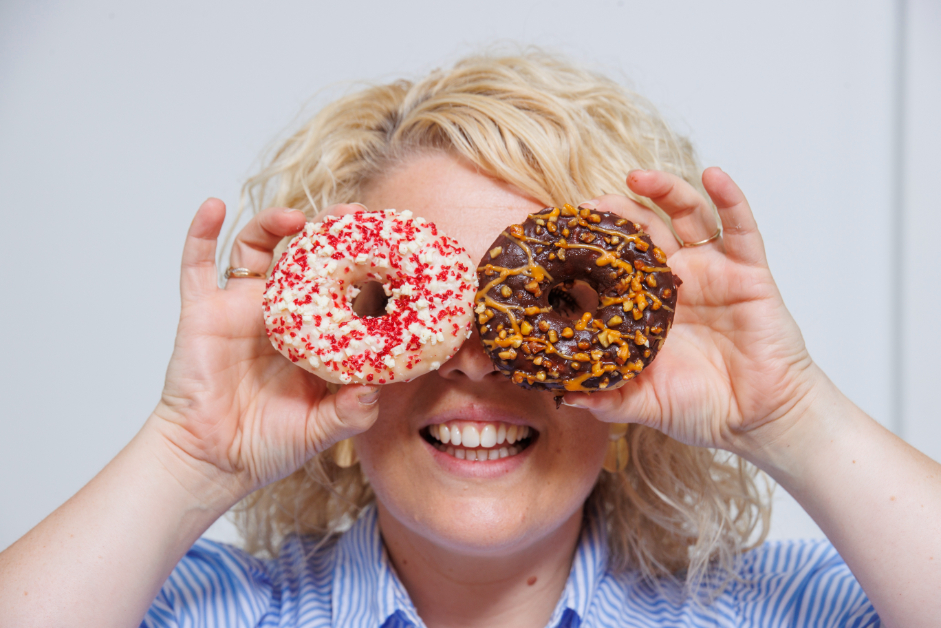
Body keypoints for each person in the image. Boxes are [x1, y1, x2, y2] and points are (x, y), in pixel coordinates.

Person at [1, 51, 938, 628]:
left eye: (540, 310)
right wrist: (187, 455)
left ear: (634, 348)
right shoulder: (206, 608)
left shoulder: (771, 609)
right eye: (424, 301)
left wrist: (789, 416)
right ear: (328, 347)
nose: (475, 355)